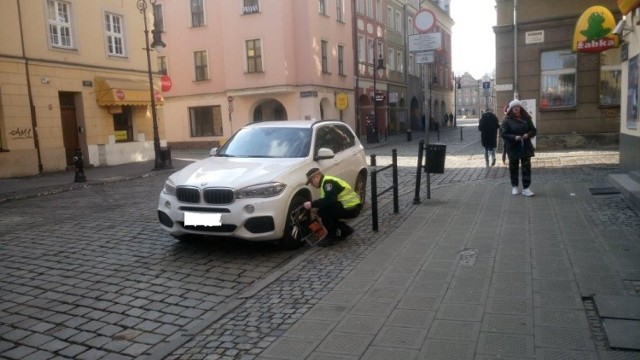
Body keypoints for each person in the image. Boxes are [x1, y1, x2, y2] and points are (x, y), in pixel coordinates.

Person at [304, 168, 362, 246]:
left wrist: (312, 204)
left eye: (311, 181)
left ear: (317, 176)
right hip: (352, 206)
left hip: (350, 207)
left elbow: (329, 200)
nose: (311, 184)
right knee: (324, 210)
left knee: (323, 211)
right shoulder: (327, 181)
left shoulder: (328, 183)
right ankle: (345, 230)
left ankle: (331, 237)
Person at [501, 99, 537, 196]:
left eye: (518, 106)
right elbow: (503, 133)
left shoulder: (526, 118)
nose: (516, 108)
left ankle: (526, 188)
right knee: (513, 167)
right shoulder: (507, 120)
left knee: (526, 168)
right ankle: (515, 186)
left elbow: (533, 130)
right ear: (511, 109)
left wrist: (527, 134)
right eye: (514, 107)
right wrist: (514, 137)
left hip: (525, 146)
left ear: (520, 108)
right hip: (513, 147)